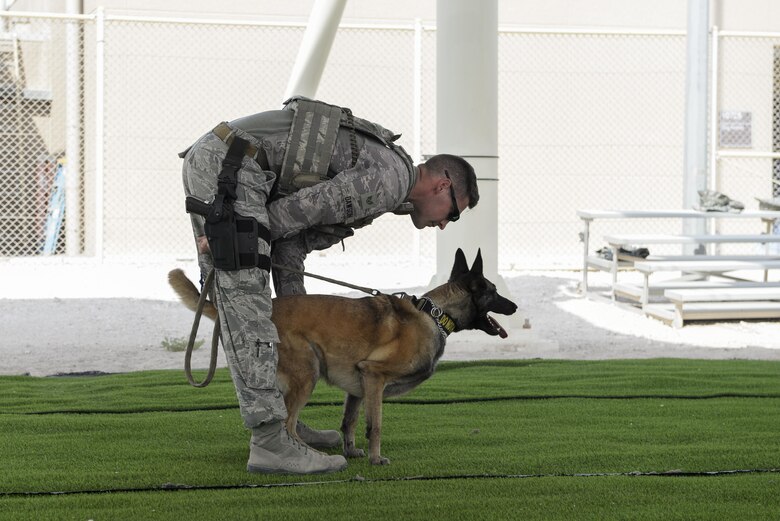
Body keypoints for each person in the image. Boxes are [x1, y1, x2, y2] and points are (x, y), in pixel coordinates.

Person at [179, 97, 478, 475]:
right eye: (453, 212)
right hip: (231, 168)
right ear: (442, 185)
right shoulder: (390, 180)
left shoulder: (391, 180)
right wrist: (236, 237)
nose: (445, 224)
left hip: (235, 167)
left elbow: (294, 242)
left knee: (267, 310)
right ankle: (271, 442)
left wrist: (297, 319)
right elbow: (300, 210)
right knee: (247, 307)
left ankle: (285, 419)